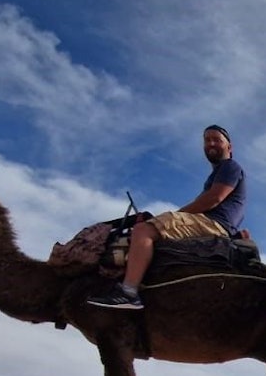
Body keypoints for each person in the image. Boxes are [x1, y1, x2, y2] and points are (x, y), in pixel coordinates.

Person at [88, 124, 247, 310]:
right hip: (218, 224)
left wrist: (177, 215)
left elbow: (213, 199)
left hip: (213, 223)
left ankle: (128, 292)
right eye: (207, 140)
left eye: (217, 140)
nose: (211, 143)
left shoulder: (230, 166)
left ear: (229, 147)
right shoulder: (219, 172)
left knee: (144, 230)